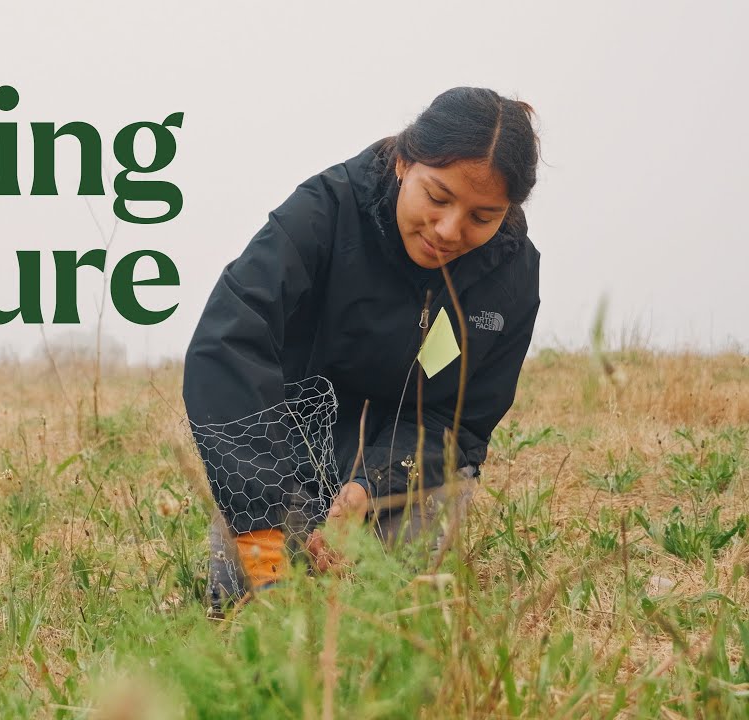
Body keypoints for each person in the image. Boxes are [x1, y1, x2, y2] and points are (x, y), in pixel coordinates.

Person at [183, 87, 541, 610]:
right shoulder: (322, 212)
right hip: (288, 460)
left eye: (481, 217)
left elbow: (458, 421)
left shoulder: (509, 277)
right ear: (402, 163)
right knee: (249, 600)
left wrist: (369, 486)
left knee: (392, 605)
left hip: (401, 474)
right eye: (437, 198)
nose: (448, 230)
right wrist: (266, 516)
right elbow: (229, 345)